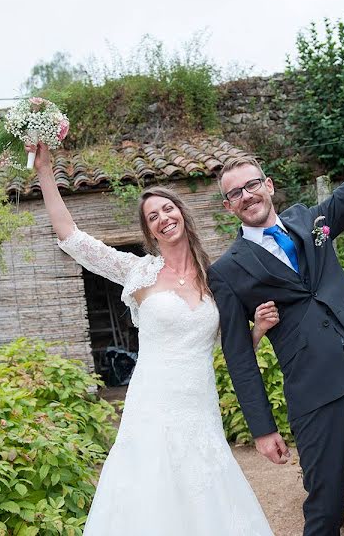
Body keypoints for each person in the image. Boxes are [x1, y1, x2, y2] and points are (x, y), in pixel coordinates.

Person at [209, 78, 344, 535]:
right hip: (313, 390)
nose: (247, 195)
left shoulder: (313, 221)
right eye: (236, 193)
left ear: (268, 186)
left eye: (252, 184)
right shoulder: (227, 271)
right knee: (326, 511)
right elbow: (237, 354)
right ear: (229, 207)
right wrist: (261, 427)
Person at [29, 141, 274, 535]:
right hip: (153, 402)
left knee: (205, 493)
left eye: (168, 209)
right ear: (149, 230)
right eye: (153, 216)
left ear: (182, 214)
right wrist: (44, 171)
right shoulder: (138, 272)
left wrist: (257, 330)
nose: (163, 218)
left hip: (199, 403)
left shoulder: (218, 278)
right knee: (150, 492)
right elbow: (72, 238)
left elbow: (232, 349)